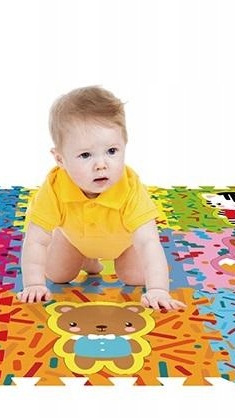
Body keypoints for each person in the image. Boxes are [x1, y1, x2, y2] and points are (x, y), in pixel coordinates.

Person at [17, 86, 186, 311]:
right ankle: (85, 258)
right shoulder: (55, 187)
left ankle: (96, 259)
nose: (101, 164)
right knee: (56, 274)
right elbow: (36, 239)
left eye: (112, 151)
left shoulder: (130, 188)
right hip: (74, 240)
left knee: (136, 277)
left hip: (124, 244)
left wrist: (158, 290)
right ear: (60, 159)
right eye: (85, 155)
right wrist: (33, 284)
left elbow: (148, 242)